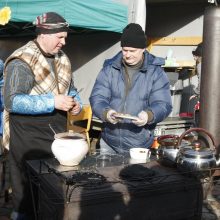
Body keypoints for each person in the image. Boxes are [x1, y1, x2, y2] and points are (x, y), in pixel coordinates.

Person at [3, 12, 82, 219]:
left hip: (56, 139)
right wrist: (52, 101)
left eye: (65, 37)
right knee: (26, 202)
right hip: (27, 142)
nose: (64, 42)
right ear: (44, 34)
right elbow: (12, 101)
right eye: (60, 37)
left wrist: (76, 103)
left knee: (50, 197)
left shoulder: (62, 58)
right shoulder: (22, 60)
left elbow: (70, 88)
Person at [89, 23, 172, 154]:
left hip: (139, 144)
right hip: (109, 141)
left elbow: (163, 104)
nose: (127, 55)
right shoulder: (109, 68)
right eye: (124, 50)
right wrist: (106, 113)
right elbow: (97, 97)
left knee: (134, 175)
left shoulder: (156, 72)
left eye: (132, 51)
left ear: (143, 49)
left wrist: (149, 115)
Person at [189, 43, 202, 126]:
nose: (194, 58)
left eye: (194, 56)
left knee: (198, 119)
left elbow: (201, 81)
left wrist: (196, 93)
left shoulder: (200, 65)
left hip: (204, 98)